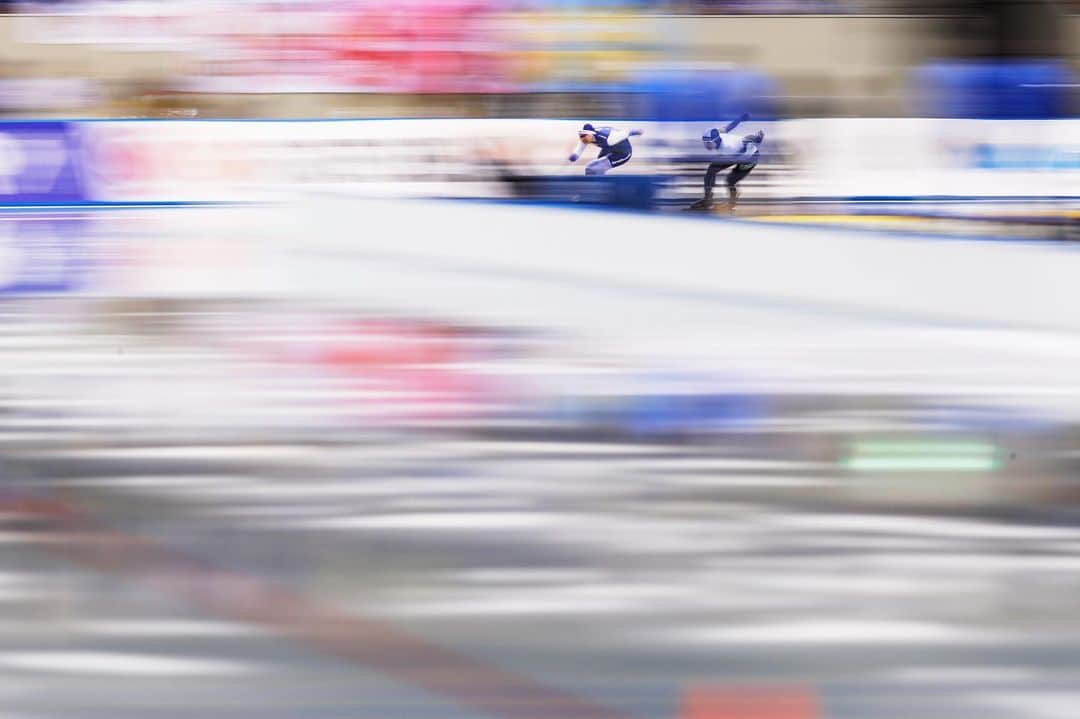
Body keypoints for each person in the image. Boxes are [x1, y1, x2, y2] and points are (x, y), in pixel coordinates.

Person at [688, 113, 764, 211]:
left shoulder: (728, 146)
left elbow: (746, 141)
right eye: (705, 143)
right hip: (735, 154)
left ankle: (731, 203)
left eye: (708, 143)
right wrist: (740, 118)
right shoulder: (719, 134)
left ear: (716, 141)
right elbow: (730, 126)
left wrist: (757, 139)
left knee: (730, 180)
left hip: (750, 158)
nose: (706, 146)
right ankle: (707, 199)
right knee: (712, 169)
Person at [568, 123, 644, 176]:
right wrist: (575, 156)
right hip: (610, 149)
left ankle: (600, 187)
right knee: (591, 166)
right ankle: (593, 184)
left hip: (623, 153)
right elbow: (580, 148)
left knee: (596, 168)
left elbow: (626, 133)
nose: (581, 139)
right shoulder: (586, 138)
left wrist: (636, 132)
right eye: (580, 136)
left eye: (583, 137)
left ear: (591, 135)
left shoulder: (610, 138)